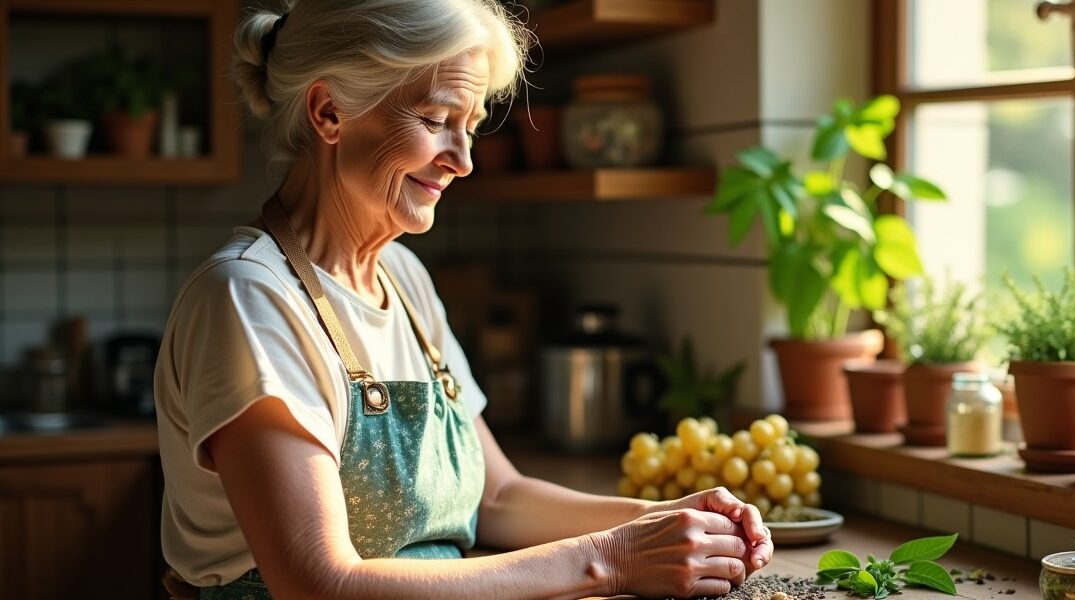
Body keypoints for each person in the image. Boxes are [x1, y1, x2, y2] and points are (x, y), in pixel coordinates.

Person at [153, 1, 773, 598]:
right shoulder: (248, 298)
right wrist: (612, 558)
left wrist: (659, 520)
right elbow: (320, 584)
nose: (464, 160)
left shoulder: (402, 275)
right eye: (434, 120)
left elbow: (497, 497)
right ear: (329, 110)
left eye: (469, 128)